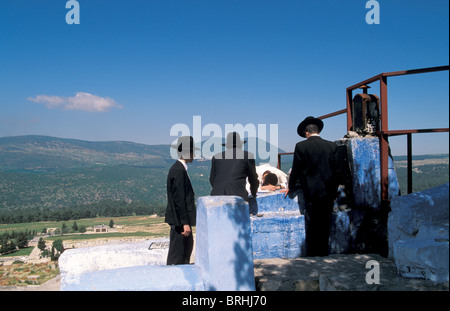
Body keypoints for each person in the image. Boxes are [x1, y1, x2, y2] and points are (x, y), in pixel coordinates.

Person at [286, 116, 338, 256]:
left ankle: (313, 255)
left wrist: (290, 187)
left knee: (312, 224)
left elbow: (295, 170)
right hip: (327, 193)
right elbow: (336, 171)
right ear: (318, 130)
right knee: (325, 224)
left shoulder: (301, 146)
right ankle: (324, 253)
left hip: (310, 192)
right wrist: (334, 193)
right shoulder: (332, 145)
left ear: (306, 133)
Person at [165, 136, 199, 265]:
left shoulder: (178, 169)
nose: (194, 155)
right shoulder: (179, 170)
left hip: (180, 220)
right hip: (180, 222)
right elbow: (179, 199)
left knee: (185, 251)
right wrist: (185, 223)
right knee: (178, 256)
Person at [210, 132, 259, 201]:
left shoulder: (216, 157)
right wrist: (253, 193)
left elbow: (212, 179)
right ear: (240, 145)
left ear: (227, 146)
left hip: (216, 197)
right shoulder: (247, 156)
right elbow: (253, 179)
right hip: (237, 198)